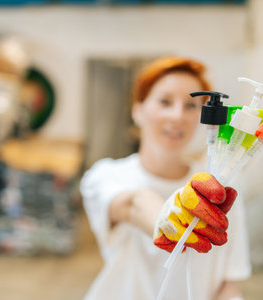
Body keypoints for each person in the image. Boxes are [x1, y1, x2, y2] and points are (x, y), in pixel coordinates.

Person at [80, 57, 251, 300]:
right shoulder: (106, 175)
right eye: (165, 101)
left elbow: (229, 284)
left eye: (191, 106)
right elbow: (134, 204)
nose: (177, 116)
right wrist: (167, 219)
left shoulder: (219, 190)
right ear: (137, 111)